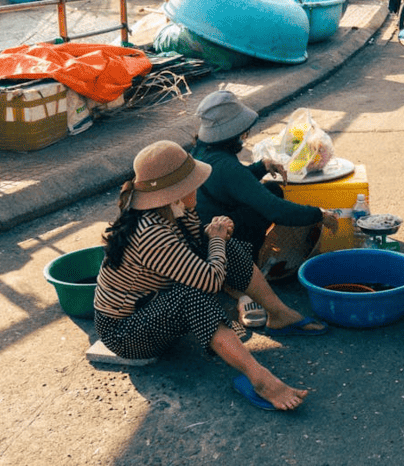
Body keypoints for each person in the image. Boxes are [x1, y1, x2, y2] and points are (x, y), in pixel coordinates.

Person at [94, 140, 328, 412]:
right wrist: (215, 238)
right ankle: (260, 379)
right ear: (176, 192)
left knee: (226, 247)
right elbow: (211, 282)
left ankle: (279, 314)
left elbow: (195, 242)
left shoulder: (174, 210)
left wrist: (214, 233)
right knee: (191, 294)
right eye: (194, 182)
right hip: (126, 333)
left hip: (153, 306)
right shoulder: (150, 233)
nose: (199, 186)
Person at [192, 90, 339, 328]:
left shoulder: (202, 151)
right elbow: (276, 211)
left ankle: (241, 274)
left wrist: (262, 166)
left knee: (270, 188)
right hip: (214, 243)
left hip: (200, 234)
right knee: (268, 200)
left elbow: (228, 185)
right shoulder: (226, 165)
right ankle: (242, 280)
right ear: (233, 133)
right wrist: (319, 214)